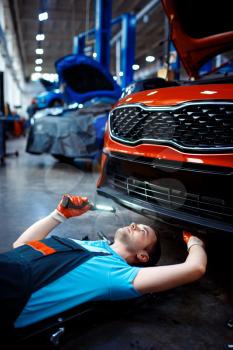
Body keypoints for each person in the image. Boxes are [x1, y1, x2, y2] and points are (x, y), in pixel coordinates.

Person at [0, 194, 207, 335]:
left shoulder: (118, 275)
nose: (133, 224)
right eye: (136, 224)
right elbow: (22, 246)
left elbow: (194, 269)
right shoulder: (91, 245)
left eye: (142, 231)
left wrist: (195, 243)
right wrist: (60, 215)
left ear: (143, 256)